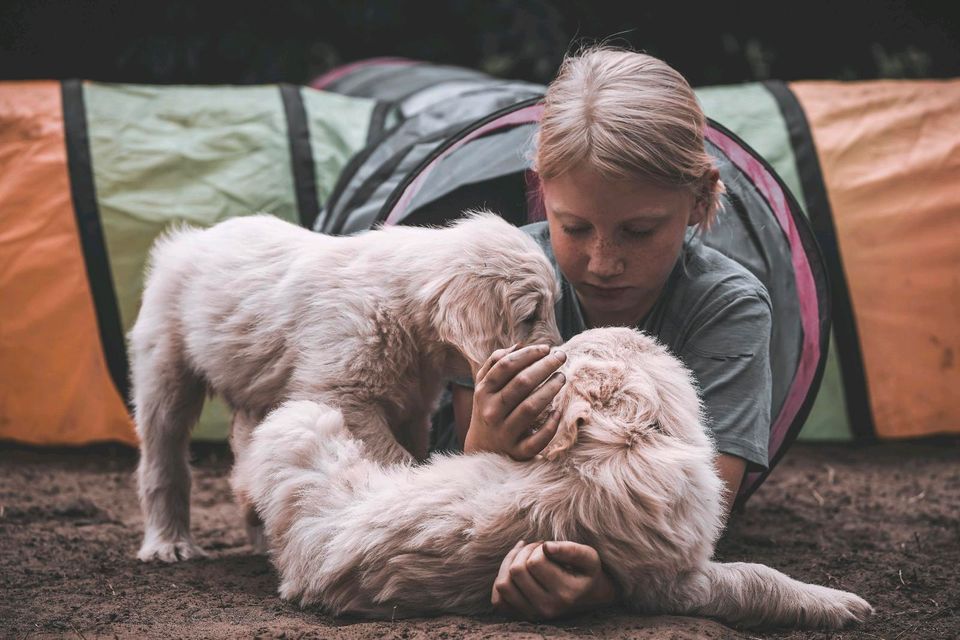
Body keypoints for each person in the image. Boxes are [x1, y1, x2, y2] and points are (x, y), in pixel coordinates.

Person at [438, 47, 774, 620]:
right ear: (540, 188)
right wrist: (481, 446)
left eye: (639, 231)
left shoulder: (726, 305)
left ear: (696, 201)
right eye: (574, 228)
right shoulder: (498, 278)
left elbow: (702, 510)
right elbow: (457, 460)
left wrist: (610, 587)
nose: (603, 261)